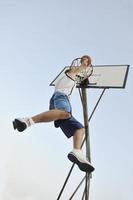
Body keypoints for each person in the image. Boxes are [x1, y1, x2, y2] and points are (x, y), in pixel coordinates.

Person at [12, 55, 95, 173]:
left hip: (56, 101)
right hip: (61, 97)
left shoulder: (66, 80)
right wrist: (85, 62)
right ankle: (27, 120)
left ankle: (77, 151)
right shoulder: (70, 74)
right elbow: (78, 69)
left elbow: (78, 77)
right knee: (65, 113)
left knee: (80, 129)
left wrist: (84, 79)